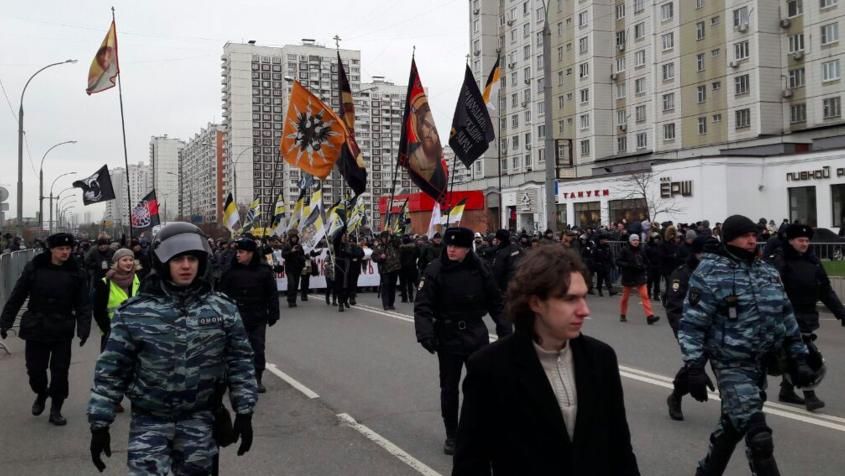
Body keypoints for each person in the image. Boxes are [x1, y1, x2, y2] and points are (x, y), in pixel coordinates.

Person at [453, 245, 639, 475]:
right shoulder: (491, 367)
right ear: (536, 303)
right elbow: (470, 461)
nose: (584, 310)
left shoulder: (601, 358)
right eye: (570, 299)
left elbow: (620, 447)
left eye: (583, 297)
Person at [88, 222, 257, 474]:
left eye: (192, 258)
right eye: (178, 259)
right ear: (162, 262)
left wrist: (244, 411)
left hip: (199, 421)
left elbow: (240, 361)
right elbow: (111, 369)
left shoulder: (222, 309)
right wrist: (100, 424)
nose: (186, 266)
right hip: (150, 422)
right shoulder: (135, 312)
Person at [679, 215, 817, 476]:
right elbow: (692, 324)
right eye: (744, 235)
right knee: (758, 435)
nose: (752, 239)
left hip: (762, 362)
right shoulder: (710, 273)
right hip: (731, 364)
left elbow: (786, 315)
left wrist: (799, 358)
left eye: (754, 234)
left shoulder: (766, 271)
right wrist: (694, 366)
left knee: (733, 424)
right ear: (728, 238)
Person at [414, 227, 512, 456]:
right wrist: (425, 333)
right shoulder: (435, 270)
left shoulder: (480, 269)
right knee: (449, 388)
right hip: (448, 335)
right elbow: (423, 305)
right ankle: (452, 434)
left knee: (482, 385)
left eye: (456, 246)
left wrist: (505, 329)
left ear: (468, 248)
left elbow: (496, 303)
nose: (451, 249)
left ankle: (481, 429)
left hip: (475, 333)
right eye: (449, 245)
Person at [0, 232, 91, 426]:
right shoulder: (35, 267)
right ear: (51, 249)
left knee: (60, 372)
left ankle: (56, 408)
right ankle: (41, 393)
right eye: (61, 249)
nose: (65, 252)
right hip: (37, 327)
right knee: (35, 371)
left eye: (68, 249)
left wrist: (84, 328)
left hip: (62, 327)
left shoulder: (76, 272)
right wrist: (5, 321)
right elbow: (18, 295)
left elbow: (83, 303)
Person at [766, 223, 845, 411]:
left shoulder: (813, 262)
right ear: (790, 241)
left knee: (794, 356)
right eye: (800, 240)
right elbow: (771, 292)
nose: (804, 244)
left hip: (808, 316)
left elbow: (825, 291)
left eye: (807, 240)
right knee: (806, 357)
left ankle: (786, 391)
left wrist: (841, 313)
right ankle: (810, 395)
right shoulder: (780, 261)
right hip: (786, 318)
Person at [664, 237, 716, 421]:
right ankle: (676, 397)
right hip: (691, 330)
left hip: (717, 330)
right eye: (704, 253)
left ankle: (732, 410)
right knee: (694, 367)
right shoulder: (682, 274)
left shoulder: (715, 273)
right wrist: (684, 333)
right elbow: (674, 307)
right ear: (696, 253)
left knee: (725, 367)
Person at [219, 237, 280, 394]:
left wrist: (273, 313)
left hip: (257, 316)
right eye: (237, 252)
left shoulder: (264, 271)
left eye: (242, 252)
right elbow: (221, 294)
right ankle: (232, 377)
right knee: (233, 349)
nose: (238, 255)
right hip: (236, 317)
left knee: (257, 348)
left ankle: (257, 377)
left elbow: (272, 293)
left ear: (251, 253)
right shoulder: (230, 271)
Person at [93, 248, 140, 352]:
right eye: (124, 260)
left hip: (136, 332)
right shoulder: (105, 283)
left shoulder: (138, 279)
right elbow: (98, 311)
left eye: (131, 260)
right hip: (113, 333)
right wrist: (108, 330)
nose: (129, 263)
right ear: (116, 262)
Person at [616, 234, 660, 324]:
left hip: (639, 275)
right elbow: (618, 261)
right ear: (630, 241)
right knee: (625, 298)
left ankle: (650, 316)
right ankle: (623, 314)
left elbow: (647, 262)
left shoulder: (641, 250)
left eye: (637, 240)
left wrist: (643, 266)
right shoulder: (625, 250)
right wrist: (628, 265)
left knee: (645, 295)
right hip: (628, 276)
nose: (636, 241)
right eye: (633, 240)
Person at [372, 231, 401, 310]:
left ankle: (391, 303)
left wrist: (393, 234)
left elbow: (398, 241)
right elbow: (374, 257)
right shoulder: (379, 246)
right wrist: (380, 257)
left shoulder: (393, 244)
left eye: (387, 237)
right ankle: (385, 304)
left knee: (392, 287)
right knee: (386, 286)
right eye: (384, 238)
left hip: (394, 268)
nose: (386, 239)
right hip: (385, 270)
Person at [491, 229, 522, 295]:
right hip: (519, 282)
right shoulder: (517, 248)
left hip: (506, 286)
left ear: (498, 240)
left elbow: (497, 271)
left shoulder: (501, 253)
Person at [282, 231, 306, 307]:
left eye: (295, 238)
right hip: (289, 269)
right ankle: (290, 300)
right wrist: (291, 251)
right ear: (290, 238)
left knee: (295, 285)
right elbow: (283, 255)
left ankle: (293, 300)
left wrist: (301, 258)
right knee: (291, 284)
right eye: (293, 238)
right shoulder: (287, 246)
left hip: (297, 268)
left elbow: (303, 255)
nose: (294, 239)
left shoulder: (299, 246)